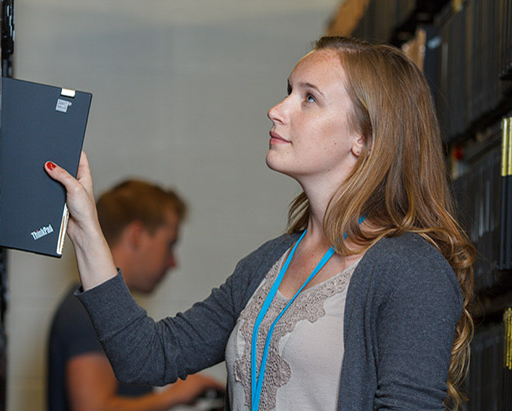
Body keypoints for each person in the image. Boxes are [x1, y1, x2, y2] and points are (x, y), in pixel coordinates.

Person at [44, 36, 475, 410]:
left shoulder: (411, 271)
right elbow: (149, 356)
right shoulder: (269, 264)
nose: (276, 109)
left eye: (309, 98)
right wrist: (87, 228)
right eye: (288, 91)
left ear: (363, 138)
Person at [47, 179, 225, 411]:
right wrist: (172, 397)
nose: (173, 263)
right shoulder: (91, 314)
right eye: (170, 244)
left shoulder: (100, 312)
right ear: (137, 236)